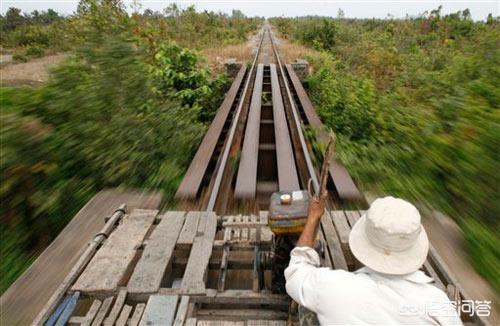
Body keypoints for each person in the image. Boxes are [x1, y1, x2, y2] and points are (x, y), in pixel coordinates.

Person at [285, 196, 462, 325]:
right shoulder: (438, 303)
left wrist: (313, 217)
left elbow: (296, 270)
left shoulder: (329, 286)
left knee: (306, 307)